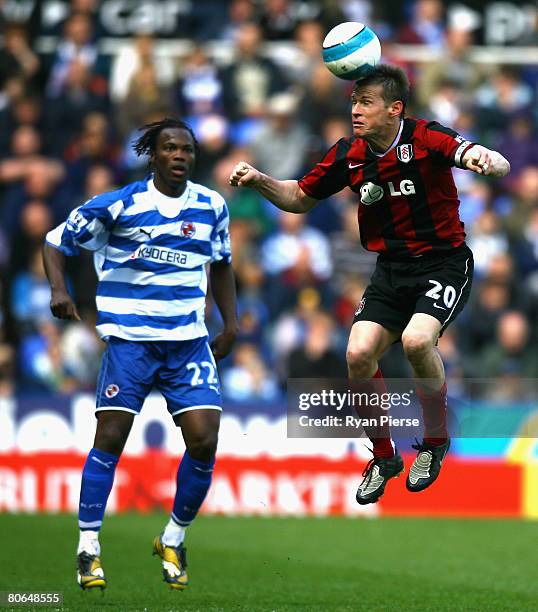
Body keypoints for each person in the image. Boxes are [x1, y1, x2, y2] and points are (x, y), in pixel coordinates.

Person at [230, 64, 510, 505]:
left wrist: (484, 159)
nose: (356, 111)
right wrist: (260, 179)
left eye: (366, 103)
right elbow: (300, 198)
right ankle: (384, 456)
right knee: (358, 353)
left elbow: (480, 156)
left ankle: (435, 442)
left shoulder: (425, 138)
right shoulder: (349, 153)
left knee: (419, 341)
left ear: (394, 109)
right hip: (391, 269)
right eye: (354, 102)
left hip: (443, 264)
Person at [43, 117, 238, 590]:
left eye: (187, 150)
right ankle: (88, 548)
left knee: (205, 440)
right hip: (130, 343)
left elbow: (222, 265)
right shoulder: (118, 205)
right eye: (170, 149)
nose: (179, 157)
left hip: (188, 342)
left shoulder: (212, 206)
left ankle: (173, 537)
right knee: (110, 438)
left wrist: (232, 324)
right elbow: (54, 242)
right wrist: (59, 290)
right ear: (153, 155)